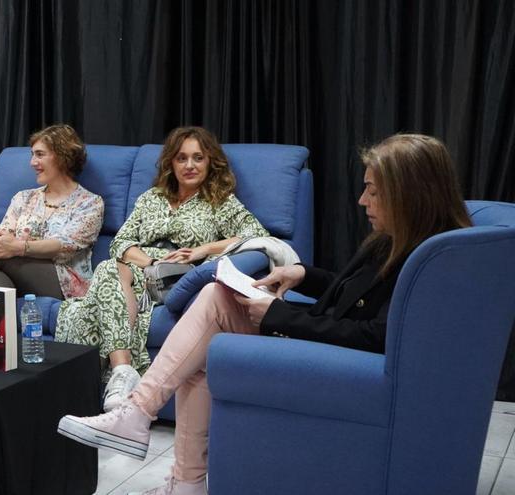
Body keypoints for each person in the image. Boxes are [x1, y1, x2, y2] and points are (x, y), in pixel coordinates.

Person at [56, 133, 473, 495]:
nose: (362, 200)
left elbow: (374, 335)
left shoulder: (429, 258)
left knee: (213, 307)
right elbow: (354, 297)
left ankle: (138, 413)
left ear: (409, 192)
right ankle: (176, 470)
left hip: (335, 357)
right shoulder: (396, 239)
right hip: (316, 338)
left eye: (374, 191)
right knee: (205, 340)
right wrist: (304, 274)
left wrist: (276, 315)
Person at [55, 126, 268, 412]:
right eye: (181, 158)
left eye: (198, 158)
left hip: (178, 278)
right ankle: (121, 372)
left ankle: (108, 377)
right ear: (171, 162)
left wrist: (204, 249)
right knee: (106, 271)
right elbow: (122, 241)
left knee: (104, 277)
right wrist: (151, 263)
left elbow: (255, 235)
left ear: (210, 162)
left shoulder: (220, 202)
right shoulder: (151, 198)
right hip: (141, 270)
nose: (189, 165)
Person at [0, 124, 103, 312]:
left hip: (62, 282)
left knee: (0, 254)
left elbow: (67, 244)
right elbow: (3, 237)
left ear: (63, 156)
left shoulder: (90, 203)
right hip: (18, 276)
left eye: (40, 155)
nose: (32, 162)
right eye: (32, 155)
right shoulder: (24, 198)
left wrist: (19, 247)